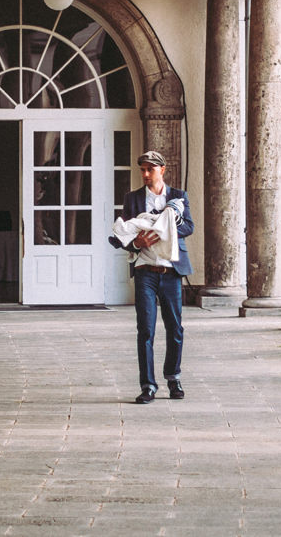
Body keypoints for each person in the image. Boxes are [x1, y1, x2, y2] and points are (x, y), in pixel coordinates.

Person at [111, 149, 194, 403]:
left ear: (162, 170)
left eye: (150, 169)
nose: (146, 174)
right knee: (145, 329)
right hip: (145, 271)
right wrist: (137, 242)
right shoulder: (133, 198)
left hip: (171, 272)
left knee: (175, 328)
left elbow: (189, 226)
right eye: (143, 170)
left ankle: (174, 378)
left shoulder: (178, 197)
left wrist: (169, 222)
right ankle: (148, 385)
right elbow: (121, 235)